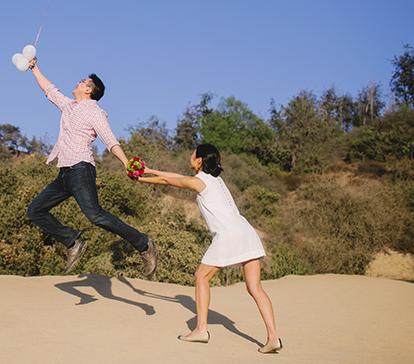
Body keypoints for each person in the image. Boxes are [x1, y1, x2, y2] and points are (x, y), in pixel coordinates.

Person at [134, 144, 282, 354]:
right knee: (255, 288)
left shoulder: (200, 182)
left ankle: (201, 329)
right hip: (247, 231)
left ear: (200, 160)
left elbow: (169, 181)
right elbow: (175, 176)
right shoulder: (216, 181)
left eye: (194, 153)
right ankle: (273, 336)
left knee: (201, 277)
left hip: (228, 234)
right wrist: (149, 171)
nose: (190, 155)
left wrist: (142, 179)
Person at [25, 57, 156, 276]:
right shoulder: (68, 106)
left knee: (95, 215)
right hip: (64, 174)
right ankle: (72, 242)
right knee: (35, 210)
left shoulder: (95, 112)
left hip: (81, 169)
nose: (77, 83)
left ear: (89, 90)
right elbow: (49, 89)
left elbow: (110, 140)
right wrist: (34, 68)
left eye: (83, 82)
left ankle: (144, 244)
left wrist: (126, 163)